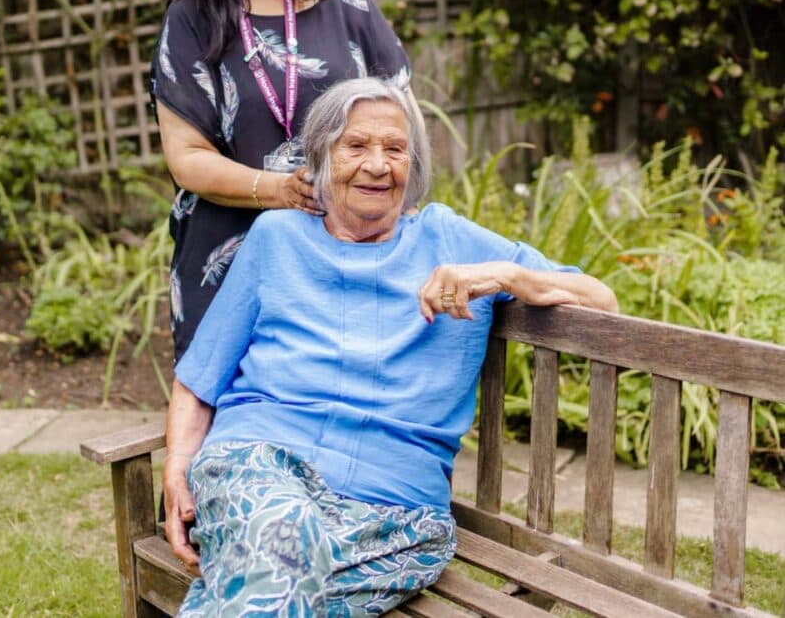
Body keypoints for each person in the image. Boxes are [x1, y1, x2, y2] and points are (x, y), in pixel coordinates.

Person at [163, 77, 618, 616]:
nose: (377, 165)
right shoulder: (276, 237)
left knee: (272, 574)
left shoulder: (449, 241)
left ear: (413, 167)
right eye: (356, 146)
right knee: (282, 537)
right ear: (323, 158)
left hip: (395, 512)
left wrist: (501, 275)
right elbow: (203, 374)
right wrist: (178, 464)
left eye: (395, 150)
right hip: (261, 466)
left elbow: (602, 301)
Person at [150, 0, 411, 362]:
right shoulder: (190, 21)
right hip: (229, 268)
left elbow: (407, 133)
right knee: (230, 426)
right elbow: (187, 159)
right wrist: (280, 190)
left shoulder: (350, 3)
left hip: (349, 261)